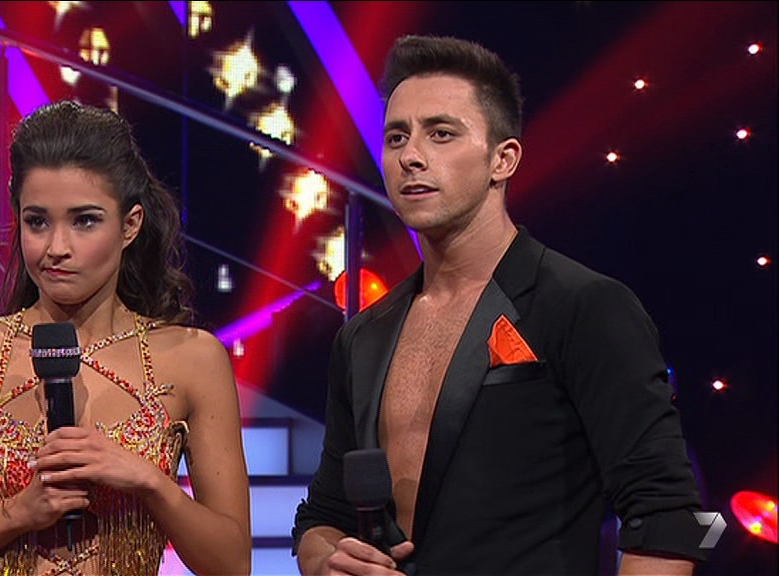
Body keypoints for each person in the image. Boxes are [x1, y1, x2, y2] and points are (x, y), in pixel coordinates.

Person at [293, 36, 707, 575]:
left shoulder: (584, 306)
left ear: (503, 159)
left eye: (441, 133)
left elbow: (668, 513)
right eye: (397, 137)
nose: (410, 156)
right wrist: (324, 559)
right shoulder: (363, 336)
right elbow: (322, 515)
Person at [0, 100, 251, 576]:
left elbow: (232, 563)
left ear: (130, 225)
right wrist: (17, 513)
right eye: (37, 221)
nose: (56, 248)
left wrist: (150, 483)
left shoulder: (193, 359)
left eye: (84, 221)